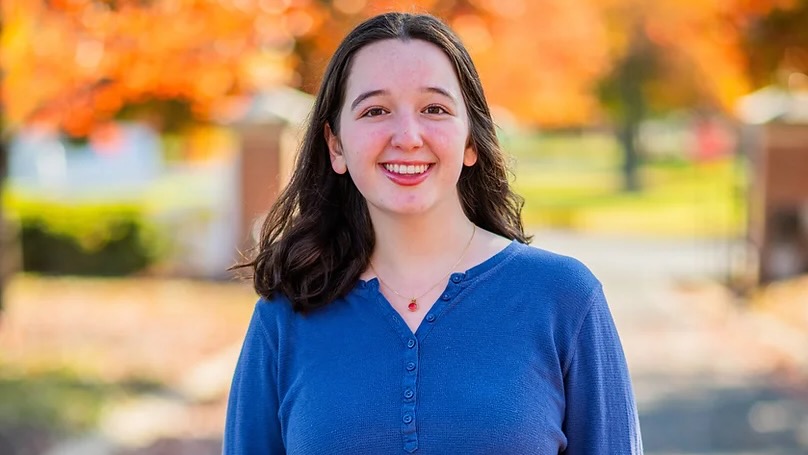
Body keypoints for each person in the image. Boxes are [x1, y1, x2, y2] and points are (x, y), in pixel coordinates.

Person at [223, 12, 643, 455]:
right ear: (336, 146)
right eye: (375, 110)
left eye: (435, 109)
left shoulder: (563, 298)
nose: (407, 136)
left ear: (470, 141)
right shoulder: (287, 315)